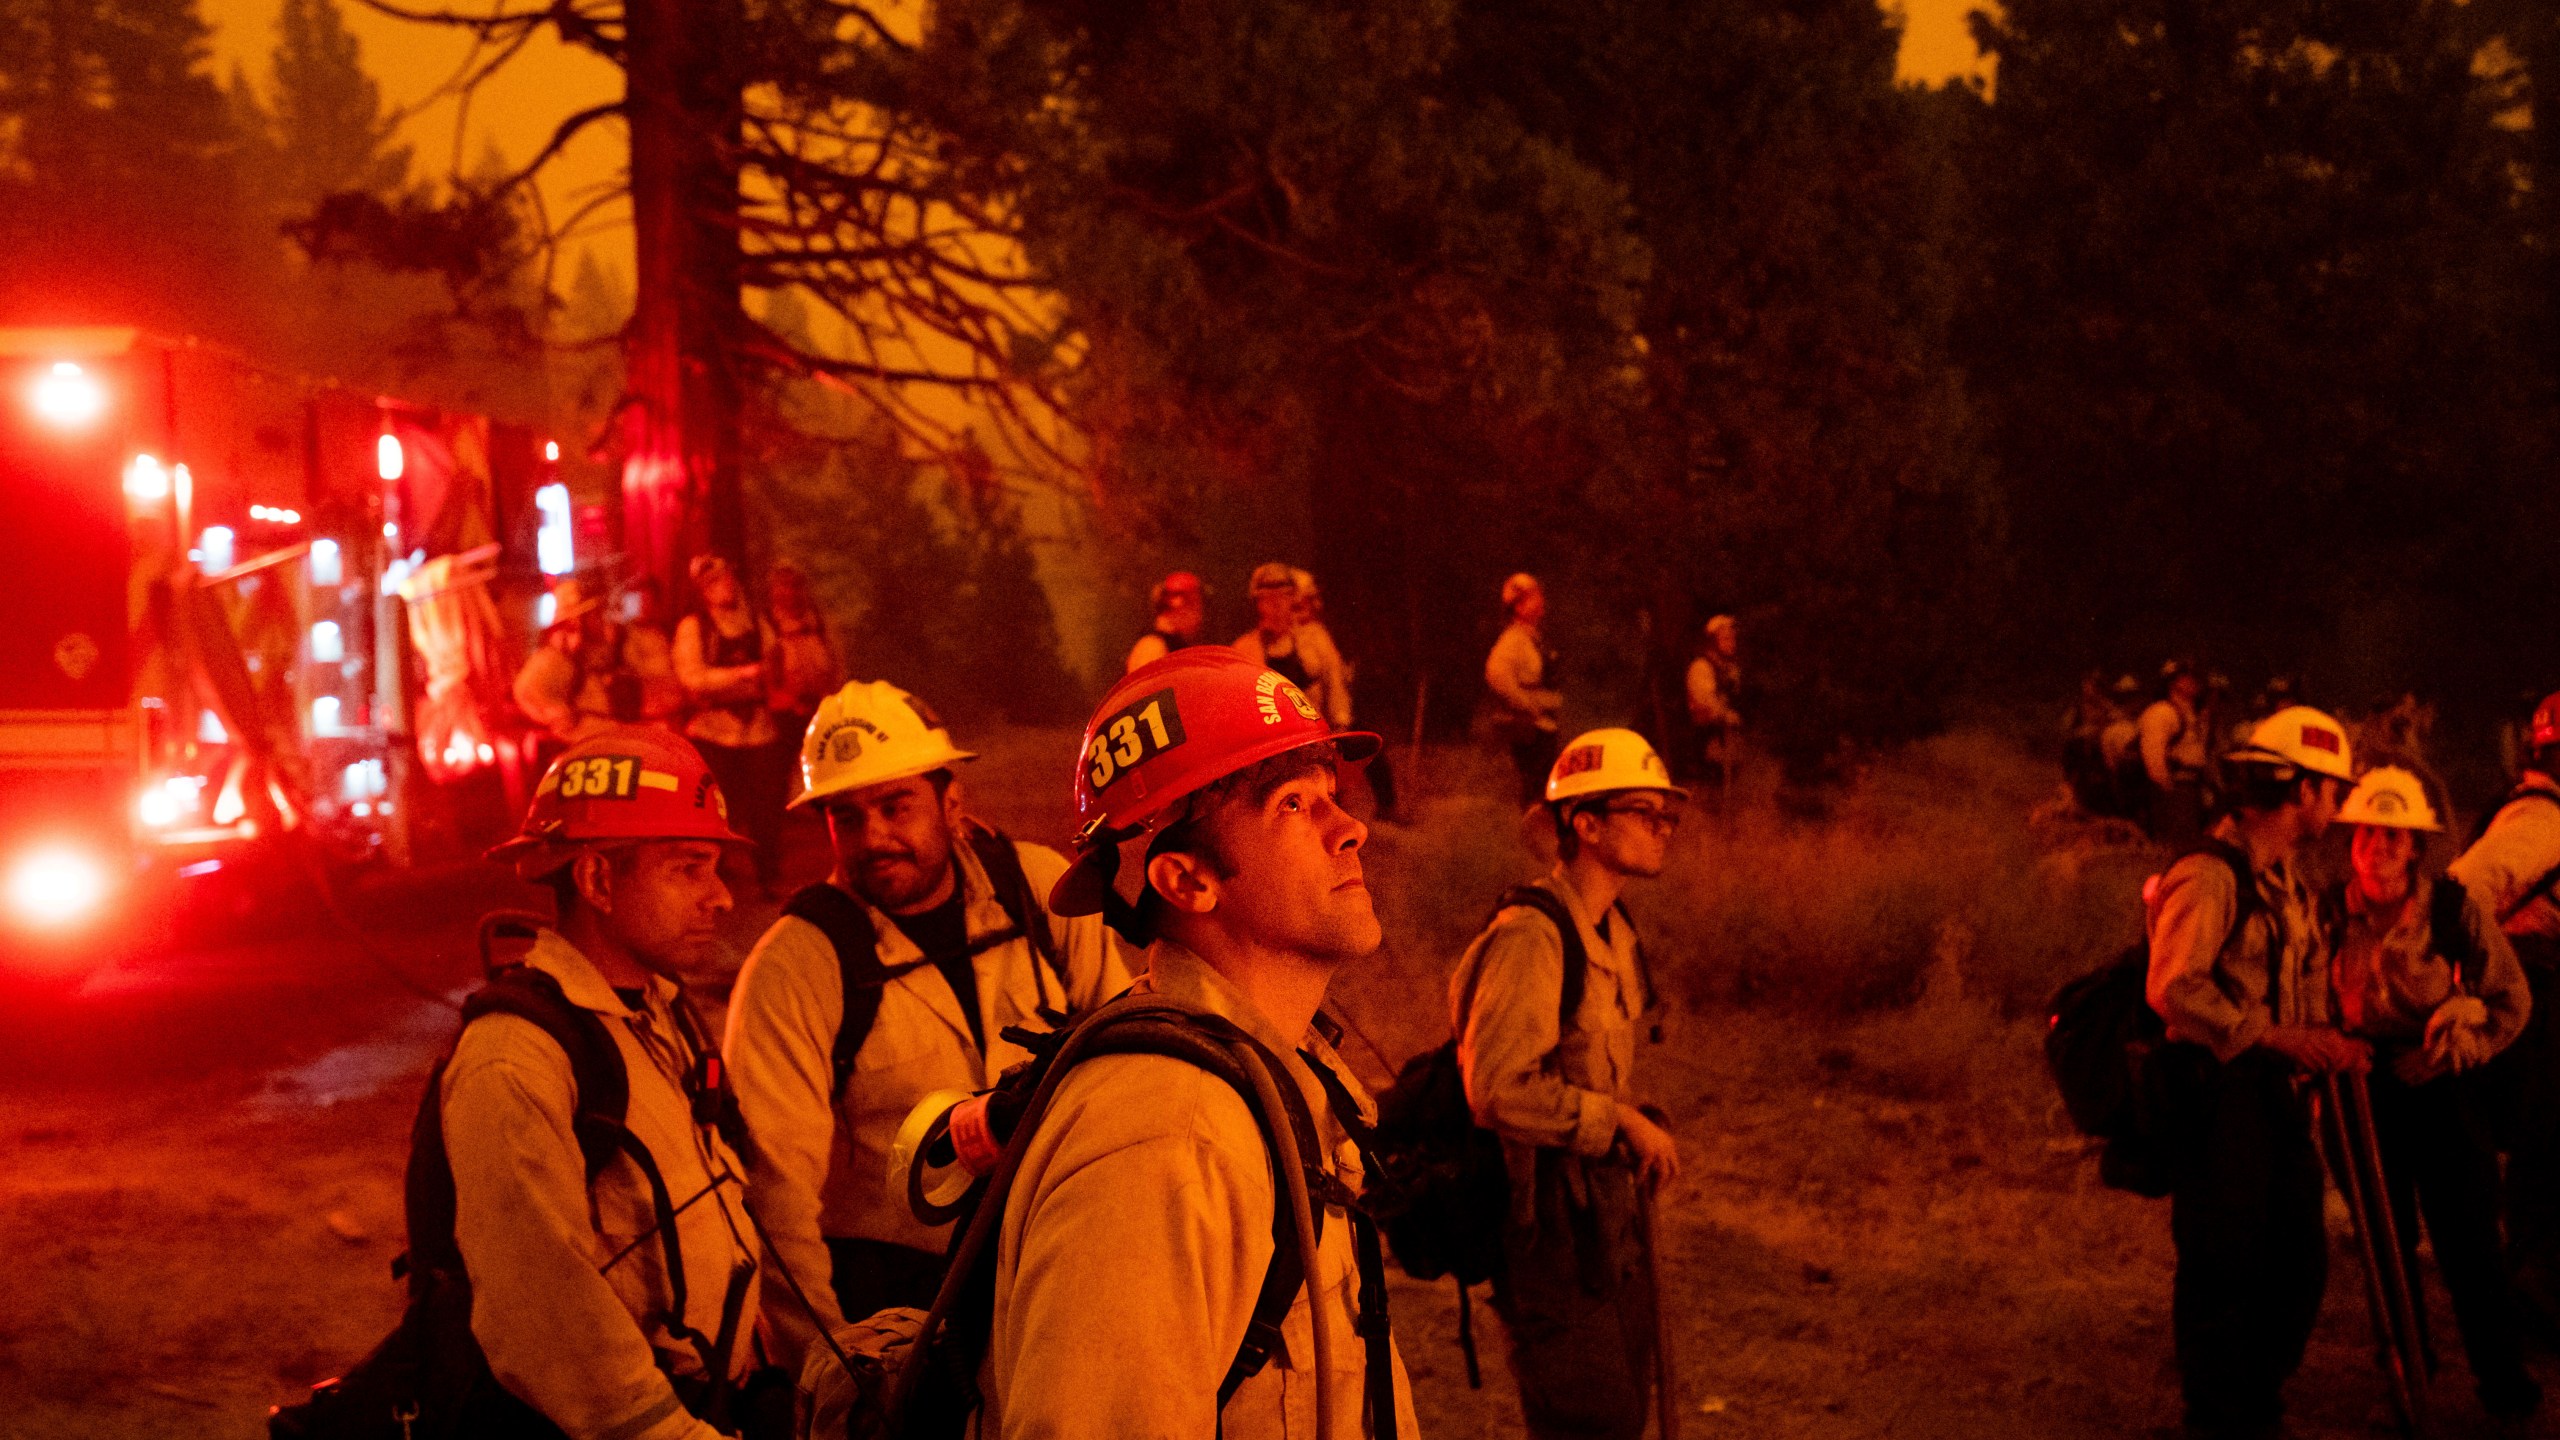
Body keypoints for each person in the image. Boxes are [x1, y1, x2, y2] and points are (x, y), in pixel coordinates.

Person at [977, 647, 1420, 1436]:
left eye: (1332, 794)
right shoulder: (1166, 1137)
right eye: (1293, 804)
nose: (1349, 827)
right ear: (1187, 881)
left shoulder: (1270, 1080)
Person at [722, 681, 1132, 1375]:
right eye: (845, 817)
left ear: (951, 802)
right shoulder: (797, 966)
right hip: (896, 1293)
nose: (873, 836)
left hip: (1057, 1245)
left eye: (894, 805)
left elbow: (1126, 1052)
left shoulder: (1037, 892)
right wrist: (835, 1369)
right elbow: (775, 1196)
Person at [455, 731, 770, 1440]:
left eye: (715, 868)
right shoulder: (514, 1060)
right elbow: (541, 1311)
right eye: (688, 868)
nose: (719, 898)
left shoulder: (657, 1014)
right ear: (597, 880)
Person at [1452, 727, 1683, 1440]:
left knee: (1623, 1411)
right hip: (1547, 1230)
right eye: (1645, 813)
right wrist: (1617, 1121)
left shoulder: (1613, 931)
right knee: (1591, 1424)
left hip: (1606, 1221)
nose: (1662, 829)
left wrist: (1628, 1122)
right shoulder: (1533, 935)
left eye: (1667, 817)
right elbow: (1496, 1089)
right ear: (1585, 824)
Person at [2144, 704, 2361, 1439]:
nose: (2336, 804)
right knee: (2223, 1267)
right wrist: (2277, 1037)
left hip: (2274, 1095)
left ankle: (2258, 1406)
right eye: (2330, 787)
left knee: (2297, 1264)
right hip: (2218, 1095)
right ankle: (2220, 1420)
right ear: (2301, 791)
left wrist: (2321, 1039)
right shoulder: (2210, 874)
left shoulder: (2287, 881)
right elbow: (2173, 986)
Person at [2329, 766, 2539, 1420]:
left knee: (2470, 1241)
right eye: (2368, 833)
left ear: (2416, 846)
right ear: (2352, 841)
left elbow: (2510, 1000)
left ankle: (2503, 1386)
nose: (2380, 848)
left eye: (2395, 836)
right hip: (2361, 1092)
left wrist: (2454, 1052)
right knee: (2385, 1240)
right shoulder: (2327, 912)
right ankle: (2408, 1376)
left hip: (2445, 1090)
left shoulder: (2451, 909)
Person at [2451, 688, 2560, 1325]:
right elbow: (2463, 893)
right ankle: (2532, 1291)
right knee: (2546, 1150)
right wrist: (2495, 976)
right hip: (2536, 994)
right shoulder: (2541, 820)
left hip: (2540, 988)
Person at [673, 555, 787, 893]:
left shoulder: (754, 620)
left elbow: (772, 659)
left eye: (728, 579)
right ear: (704, 591)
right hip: (714, 731)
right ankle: (713, 876)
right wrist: (740, 675)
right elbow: (691, 678)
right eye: (716, 582)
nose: (726, 586)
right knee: (716, 809)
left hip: (758, 728)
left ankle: (769, 873)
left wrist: (771, 674)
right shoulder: (695, 627)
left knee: (767, 805)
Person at [513, 578, 679, 745]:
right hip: (587, 747)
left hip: (631, 739)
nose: (598, 618)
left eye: (596, 612)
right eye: (591, 614)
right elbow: (526, 690)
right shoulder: (559, 658)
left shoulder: (623, 644)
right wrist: (556, 714)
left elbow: (662, 683)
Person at [1291, 567, 1397, 817]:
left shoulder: (1317, 634)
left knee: (1369, 751)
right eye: (1304, 601)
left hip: (1331, 716)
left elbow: (1333, 678)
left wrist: (1340, 717)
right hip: (1306, 722)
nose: (1312, 606)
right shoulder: (1288, 638)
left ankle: (1386, 805)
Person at [1486, 573, 1564, 806]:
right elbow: (1496, 674)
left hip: (1544, 723)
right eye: (1533, 598)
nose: (1541, 602)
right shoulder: (1513, 641)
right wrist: (1525, 703)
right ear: (1518, 607)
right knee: (1535, 787)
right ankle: (1534, 834)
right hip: (1529, 725)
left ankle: (1540, 832)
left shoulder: (1533, 637)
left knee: (1544, 784)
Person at [762, 565, 841, 749]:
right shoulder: (766, 624)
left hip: (821, 712)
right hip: (782, 718)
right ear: (773, 590)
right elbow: (765, 676)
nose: (790, 592)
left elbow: (837, 666)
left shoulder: (820, 623)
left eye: (795, 585)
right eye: (783, 585)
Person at [2134, 660, 2210, 846]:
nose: (2194, 681)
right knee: (2176, 846)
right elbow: (2154, 760)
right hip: (2175, 789)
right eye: (2187, 677)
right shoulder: (2162, 712)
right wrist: (2168, 795)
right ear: (2173, 683)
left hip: (2191, 788)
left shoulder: (2192, 714)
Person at [1683, 616, 1742, 799]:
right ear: (1713, 642)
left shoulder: (1730, 668)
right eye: (1725, 639)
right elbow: (1705, 703)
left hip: (1728, 733)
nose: (1731, 643)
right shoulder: (1701, 667)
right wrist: (1724, 715)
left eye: (1733, 639)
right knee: (1709, 787)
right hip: (1705, 735)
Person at [1126, 569, 1208, 672]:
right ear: (1176, 603)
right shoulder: (1152, 647)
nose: (1199, 615)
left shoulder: (1173, 646)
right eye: (1194, 605)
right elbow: (1149, 688)